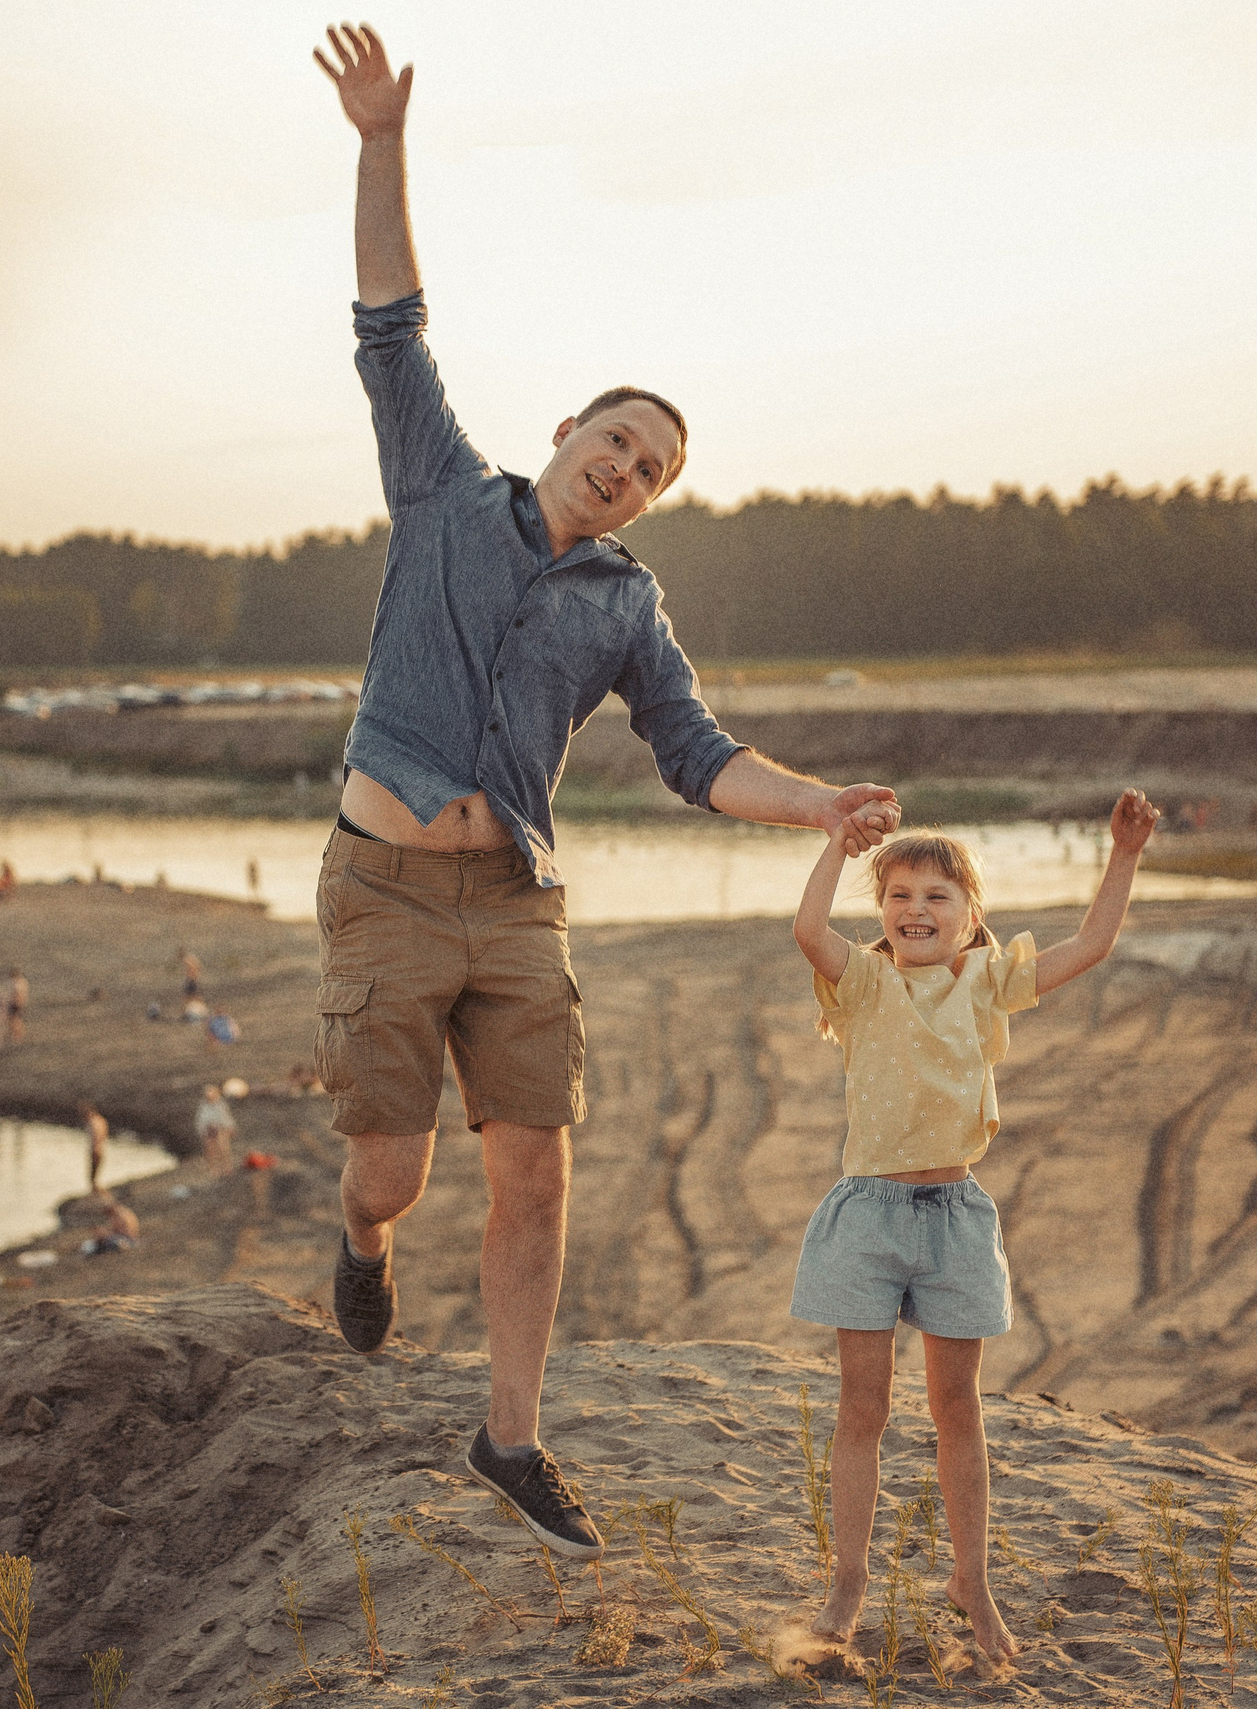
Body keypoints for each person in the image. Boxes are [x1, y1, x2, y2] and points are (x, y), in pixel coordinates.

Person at [309, 22, 900, 1561]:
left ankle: (511, 1436)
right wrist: (382, 143)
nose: (626, 471)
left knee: (536, 1169)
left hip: (515, 901)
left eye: (652, 472)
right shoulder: (440, 487)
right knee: (395, 1170)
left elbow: (700, 758)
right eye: (617, 441)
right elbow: (389, 321)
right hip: (380, 885)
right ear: (570, 424)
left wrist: (824, 803)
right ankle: (358, 1241)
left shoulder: (626, 608)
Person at [788, 787, 1161, 1666]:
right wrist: (838, 846)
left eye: (936, 895)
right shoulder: (866, 979)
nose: (916, 908)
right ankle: (848, 1578)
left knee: (958, 1408)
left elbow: (1094, 942)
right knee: (862, 1407)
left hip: (954, 1217)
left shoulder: (990, 979)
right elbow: (809, 929)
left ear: (970, 914)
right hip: (869, 1213)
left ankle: (972, 1578)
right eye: (900, 895)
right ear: (882, 913)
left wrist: (1126, 854)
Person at [195, 1083, 237, 1177]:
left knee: (223, 1149)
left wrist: (230, 1128)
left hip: (220, 1130)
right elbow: (201, 1120)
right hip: (208, 1131)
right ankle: (214, 1170)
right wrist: (204, 1130)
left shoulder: (221, 1105)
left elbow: (226, 1118)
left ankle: (227, 1168)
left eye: (212, 1092)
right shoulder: (203, 1106)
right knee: (210, 1151)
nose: (210, 1095)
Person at [80, 1101, 109, 1195]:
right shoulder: (101, 1120)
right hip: (101, 1148)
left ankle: (95, 1192)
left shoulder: (93, 1123)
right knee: (95, 1173)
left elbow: (96, 1137)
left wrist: (95, 1148)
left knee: (93, 1174)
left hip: (95, 1149)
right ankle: (95, 1191)